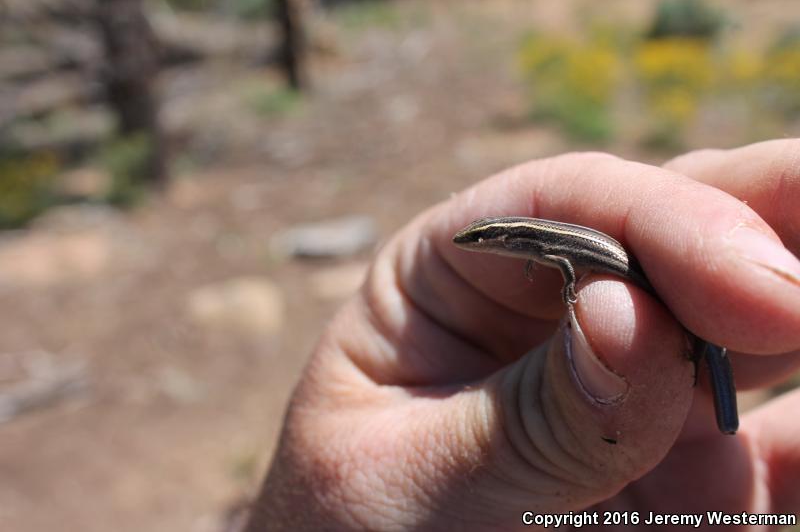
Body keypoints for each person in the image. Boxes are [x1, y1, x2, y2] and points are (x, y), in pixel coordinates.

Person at [245, 141, 800, 531]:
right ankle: (721, 393)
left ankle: (721, 389)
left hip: (638, 279)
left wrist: (564, 282)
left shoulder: (538, 243)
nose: (477, 242)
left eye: (483, 237)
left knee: (690, 333)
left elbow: (565, 260)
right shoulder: (529, 244)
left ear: (502, 236)